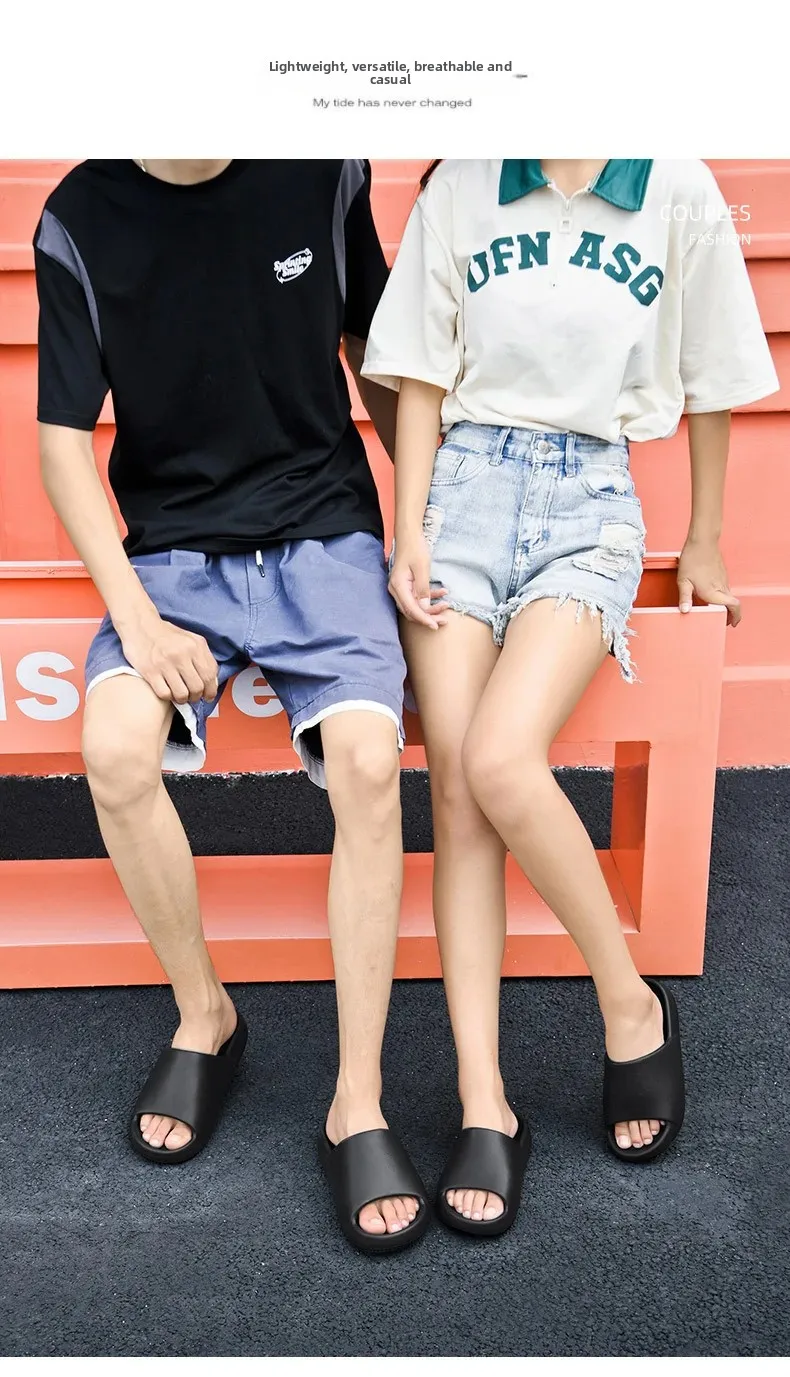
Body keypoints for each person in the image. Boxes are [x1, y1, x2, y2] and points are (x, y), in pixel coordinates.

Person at [362, 158, 778, 1236]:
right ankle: (484, 1103)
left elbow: (712, 376)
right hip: (459, 496)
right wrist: (409, 532)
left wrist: (704, 537)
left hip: (589, 500)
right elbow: (418, 376)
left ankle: (628, 1003)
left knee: (501, 759)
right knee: (458, 797)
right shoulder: (465, 184)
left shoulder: (673, 185)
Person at [34, 158, 430, 1254]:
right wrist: (137, 618)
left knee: (368, 764)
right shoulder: (78, 215)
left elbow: (379, 357)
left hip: (324, 535)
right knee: (115, 753)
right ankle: (206, 1013)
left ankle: (357, 1100)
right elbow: (62, 440)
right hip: (171, 558)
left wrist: (424, 525)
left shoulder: (321, 168)